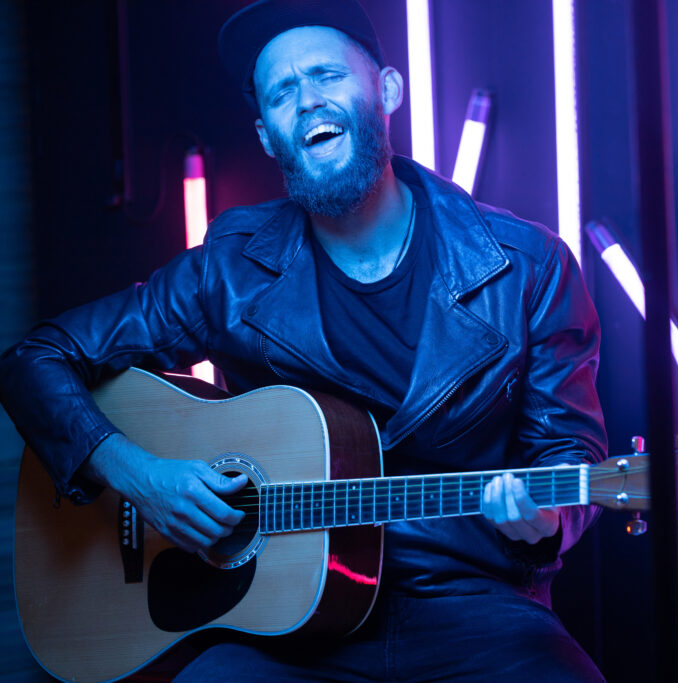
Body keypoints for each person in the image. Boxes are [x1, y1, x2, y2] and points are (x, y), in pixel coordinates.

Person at [0, 0, 607, 680]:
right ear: (266, 134)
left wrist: (547, 518)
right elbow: (34, 359)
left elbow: (569, 455)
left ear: (388, 90)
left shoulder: (528, 266)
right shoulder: (230, 268)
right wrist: (143, 479)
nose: (308, 102)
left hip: (474, 609)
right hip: (286, 630)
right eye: (282, 92)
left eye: (326, 75)